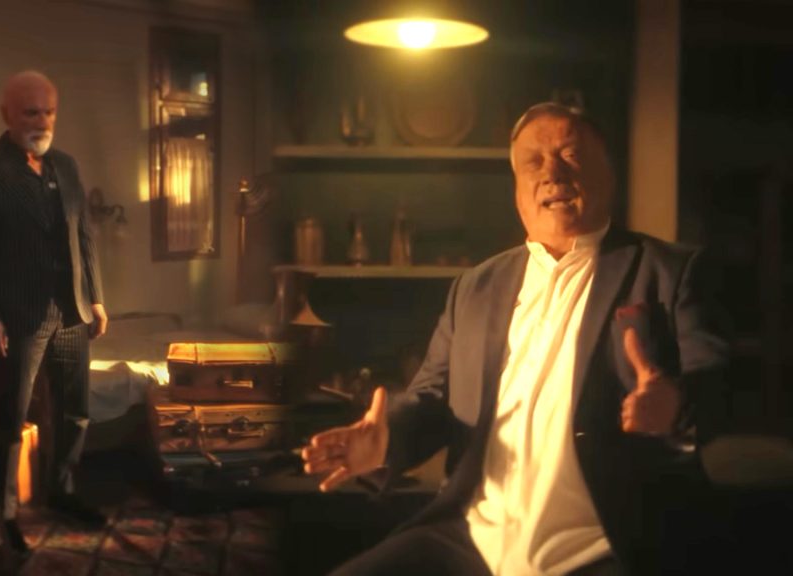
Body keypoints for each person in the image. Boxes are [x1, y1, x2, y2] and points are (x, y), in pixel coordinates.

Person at [301, 102, 730, 575]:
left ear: (607, 174)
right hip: (469, 539)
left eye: (570, 155)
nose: (552, 174)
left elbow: (719, 385)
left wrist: (676, 405)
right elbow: (432, 398)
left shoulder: (668, 271)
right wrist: (385, 442)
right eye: (533, 162)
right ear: (517, 189)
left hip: (604, 544)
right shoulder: (475, 286)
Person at [0, 70, 108, 551]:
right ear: (7, 115)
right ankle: (2, 514)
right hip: (17, 316)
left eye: (48, 112)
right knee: (10, 419)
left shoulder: (66, 165)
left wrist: (96, 297)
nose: (41, 121)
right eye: (30, 112)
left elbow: (84, 234)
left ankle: (62, 492)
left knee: (75, 412)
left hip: (72, 312)